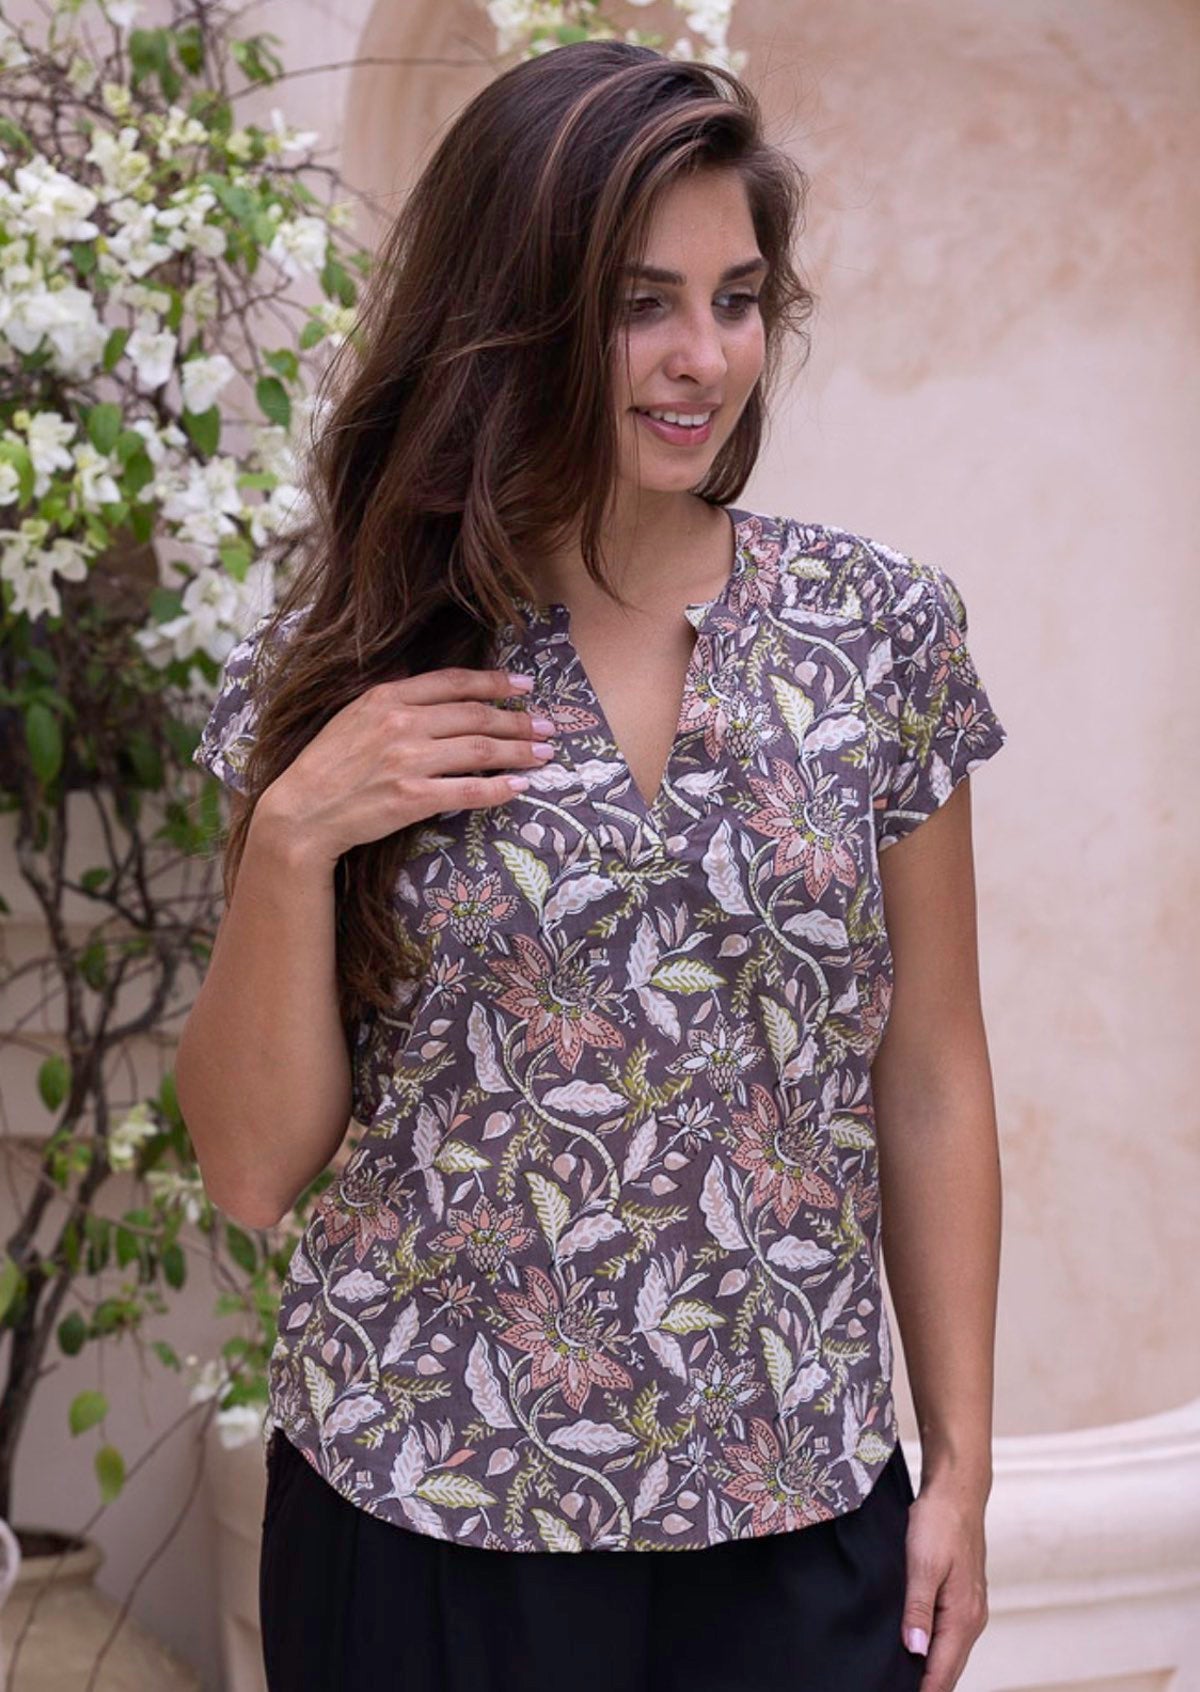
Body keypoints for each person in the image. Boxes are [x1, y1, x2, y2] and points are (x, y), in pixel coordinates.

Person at [178, 38, 1005, 1692]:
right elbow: (254, 1172)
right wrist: (292, 838)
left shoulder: (878, 628)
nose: (703, 357)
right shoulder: (354, 648)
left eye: (739, 298)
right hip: (423, 1510)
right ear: (521, 307)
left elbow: (930, 1068)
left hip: (795, 1512)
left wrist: (965, 1460)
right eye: (641, 301)